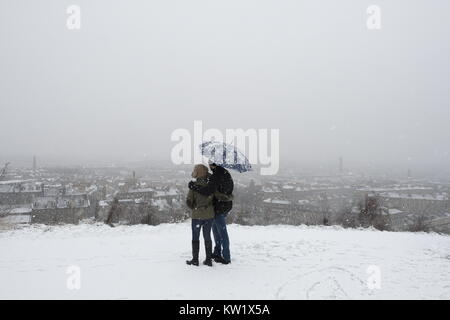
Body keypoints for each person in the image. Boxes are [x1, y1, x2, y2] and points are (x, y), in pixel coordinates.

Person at [188, 161, 233, 264]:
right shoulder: (224, 172)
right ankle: (216, 252)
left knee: (221, 232)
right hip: (223, 206)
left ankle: (226, 257)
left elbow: (208, 190)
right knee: (216, 231)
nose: (209, 166)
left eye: (210, 164)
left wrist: (193, 186)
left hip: (219, 207)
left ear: (214, 164)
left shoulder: (216, 175)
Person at [185, 164, 215, 267]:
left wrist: (194, 206)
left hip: (197, 215)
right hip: (209, 215)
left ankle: (195, 260)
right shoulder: (210, 185)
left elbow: (189, 201)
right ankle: (208, 260)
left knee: (195, 237)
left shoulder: (194, 186)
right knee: (207, 236)